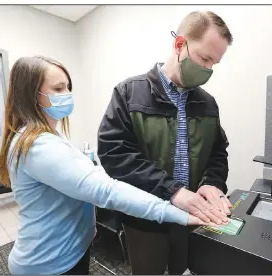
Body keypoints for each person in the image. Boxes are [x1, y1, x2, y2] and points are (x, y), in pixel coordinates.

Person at [0, 56, 211, 275]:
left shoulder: (50, 136)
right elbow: (106, 191)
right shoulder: (38, 146)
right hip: (47, 262)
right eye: (58, 88)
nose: (67, 95)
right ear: (32, 95)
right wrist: (182, 214)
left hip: (69, 252)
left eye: (68, 87)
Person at [97, 10, 233, 275]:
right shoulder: (128, 93)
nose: (207, 69)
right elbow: (115, 154)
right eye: (204, 58)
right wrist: (171, 191)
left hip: (190, 218)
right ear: (180, 44)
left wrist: (213, 183)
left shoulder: (207, 103)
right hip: (145, 221)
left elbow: (218, 151)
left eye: (214, 64)